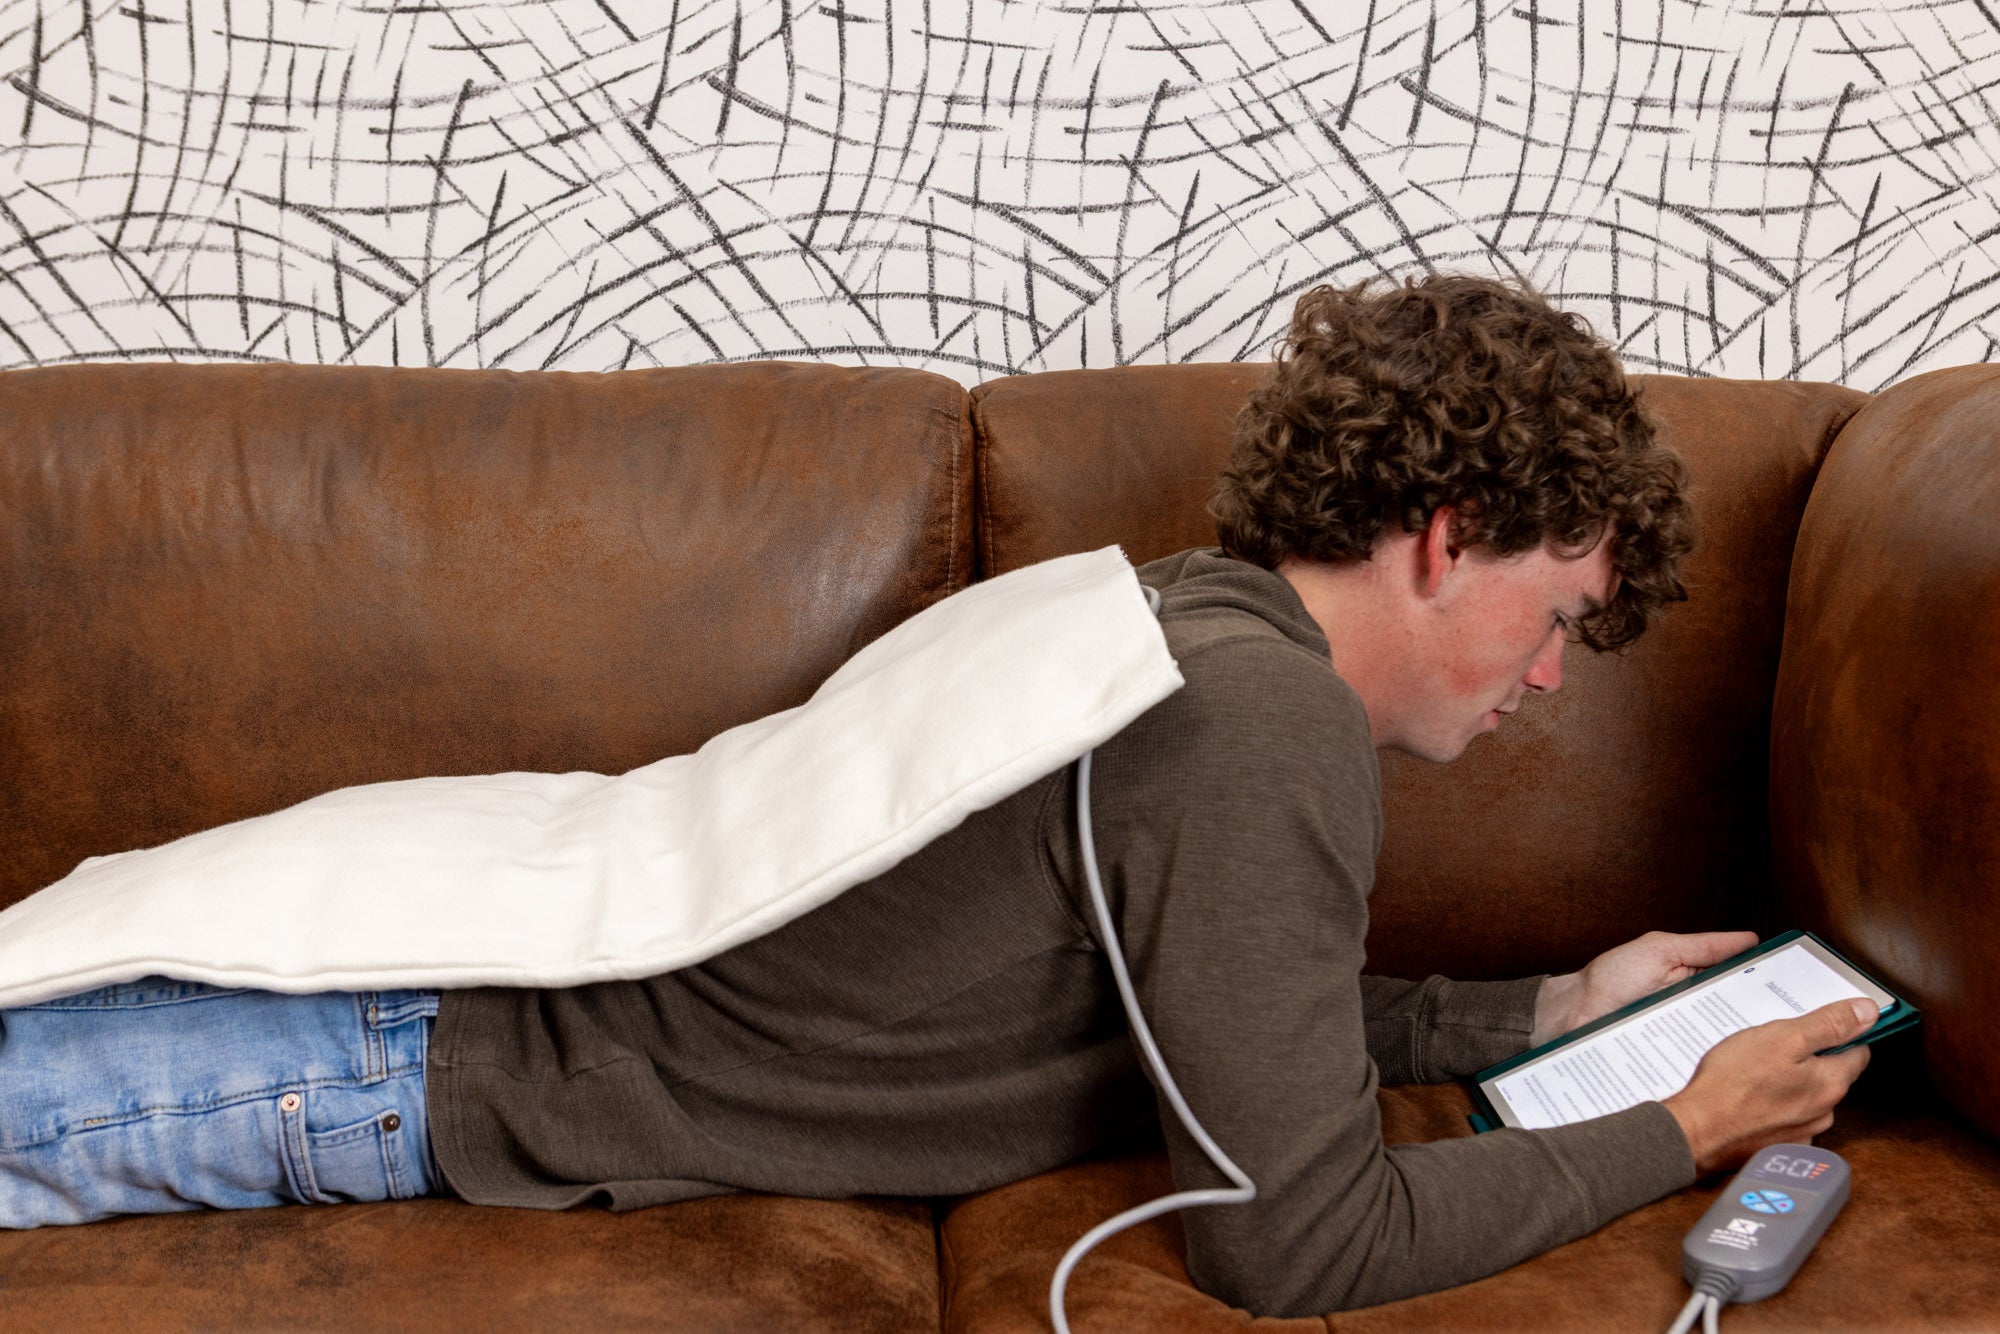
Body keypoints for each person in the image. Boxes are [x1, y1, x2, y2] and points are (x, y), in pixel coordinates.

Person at [0, 274, 1874, 1318]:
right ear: (1448, 539)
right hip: (380, 1044)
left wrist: (1546, 1009)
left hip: (403, 964)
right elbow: (1297, 1239)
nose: (1548, 680)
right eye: (1555, 615)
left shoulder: (1176, 622)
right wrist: (1682, 1126)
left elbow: (1216, 1011)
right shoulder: (1258, 722)